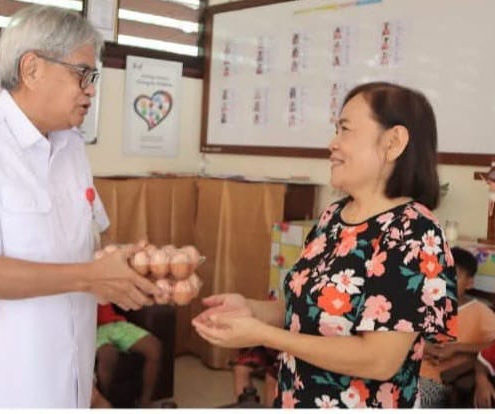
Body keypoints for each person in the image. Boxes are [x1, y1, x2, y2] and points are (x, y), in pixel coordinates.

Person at [0, 5, 159, 408]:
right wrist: (87, 277)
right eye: (82, 73)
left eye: (93, 76)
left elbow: (91, 245)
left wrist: (130, 267)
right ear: (32, 69)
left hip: (62, 385)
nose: (91, 90)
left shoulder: (71, 148)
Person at [192, 82, 457, 408]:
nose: (333, 144)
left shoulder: (414, 232)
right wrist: (250, 310)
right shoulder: (333, 217)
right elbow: (308, 311)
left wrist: (262, 334)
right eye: (336, 130)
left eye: (345, 130)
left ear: (393, 142)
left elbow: (379, 360)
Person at [418, 247, 495, 407]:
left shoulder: (479, 311)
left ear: (469, 282)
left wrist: (457, 348)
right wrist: (425, 347)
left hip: (439, 382)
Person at [94, 303, 162, 407]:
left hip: (114, 323)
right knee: (108, 354)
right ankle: (104, 406)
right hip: (91, 328)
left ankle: (144, 404)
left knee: (154, 347)